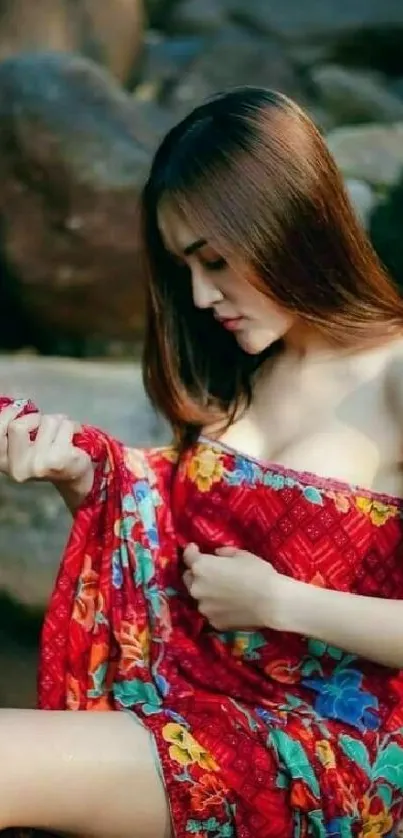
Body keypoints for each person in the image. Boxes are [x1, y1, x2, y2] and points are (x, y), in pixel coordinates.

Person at [1, 86, 403, 838]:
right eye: (182, 266)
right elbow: (171, 559)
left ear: (289, 224)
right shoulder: (246, 367)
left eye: (213, 260)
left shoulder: (395, 374)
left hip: (325, 750)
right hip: (197, 709)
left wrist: (281, 604)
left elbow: (251, 596)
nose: (198, 294)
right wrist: (86, 478)